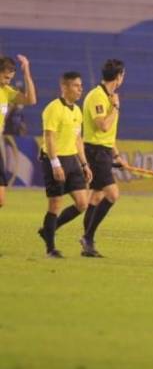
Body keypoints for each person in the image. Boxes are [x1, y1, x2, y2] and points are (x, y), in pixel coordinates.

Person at [37, 72, 93, 258]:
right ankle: (50, 249)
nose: (80, 89)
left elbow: (78, 139)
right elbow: (49, 137)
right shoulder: (53, 108)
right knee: (55, 204)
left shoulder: (77, 111)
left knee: (82, 203)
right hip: (55, 159)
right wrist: (55, 164)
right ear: (64, 87)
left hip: (72, 160)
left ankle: (48, 230)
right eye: (76, 86)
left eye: (81, 85)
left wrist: (84, 164)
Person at [81, 59, 129, 257]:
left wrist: (116, 155)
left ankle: (87, 243)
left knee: (97, 196)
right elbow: (103, 126)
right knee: (112, 194)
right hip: (95, 151)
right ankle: (87, 237)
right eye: (123, 74)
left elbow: (108, 135)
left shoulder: (108, 96)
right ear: (119, 76)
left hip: (104, 150)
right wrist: (115, 107)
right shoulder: (98, 96)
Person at [0, 55, 37, 208]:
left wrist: (26, 71)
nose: (8, 81)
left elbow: (31, 100)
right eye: (6, 77)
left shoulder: (6, 91)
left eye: (10, 78)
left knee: (1, 200)